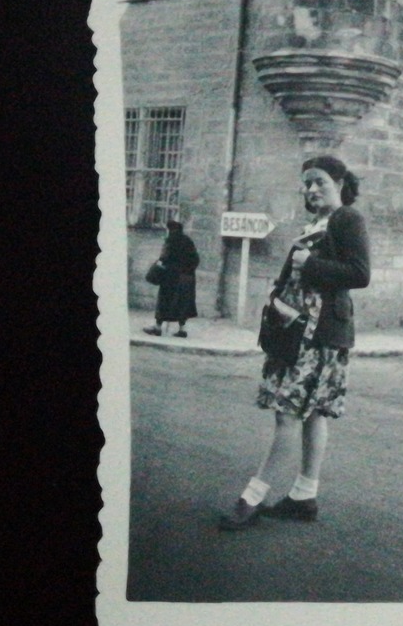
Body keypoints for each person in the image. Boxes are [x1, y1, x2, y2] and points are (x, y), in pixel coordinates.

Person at [219, 155, 371, 529]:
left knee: (287, 414)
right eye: (306, 183)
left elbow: (360, 273)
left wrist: (308, 264)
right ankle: (304, 495)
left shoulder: (347, 218)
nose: (312, 189)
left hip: (317, 335)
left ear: (338, 182)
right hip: (297, 329)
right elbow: (296, 272)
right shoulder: (317, 223)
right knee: (313, 413)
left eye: (319, 181)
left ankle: (251, 498)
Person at [146, 220, 199, 338]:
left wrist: (159, 265)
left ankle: (158, 328)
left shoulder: (170, 241)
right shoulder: (188, 241)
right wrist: (188, 270)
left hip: (171, 277)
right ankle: (182, 330)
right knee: (183, 303)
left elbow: (164, 257)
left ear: (170, 229)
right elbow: (196, 260)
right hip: (187, 278)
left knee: (164, 302)